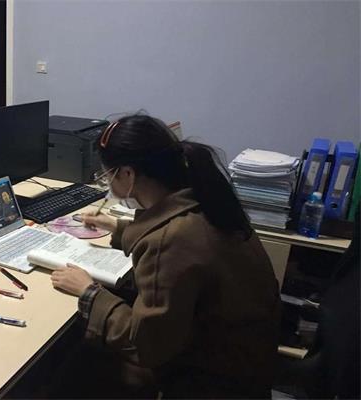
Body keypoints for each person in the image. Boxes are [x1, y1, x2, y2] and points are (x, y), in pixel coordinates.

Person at [50, 114, 281, 398]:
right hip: (244, 365)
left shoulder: (172, 239)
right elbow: (176, 238)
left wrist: (89, 293)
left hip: (210, 381)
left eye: (107, 175)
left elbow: (145, 345)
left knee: (76, 360)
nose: (107, 183)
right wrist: (117, 227)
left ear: (128, 175)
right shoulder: (207, 200)